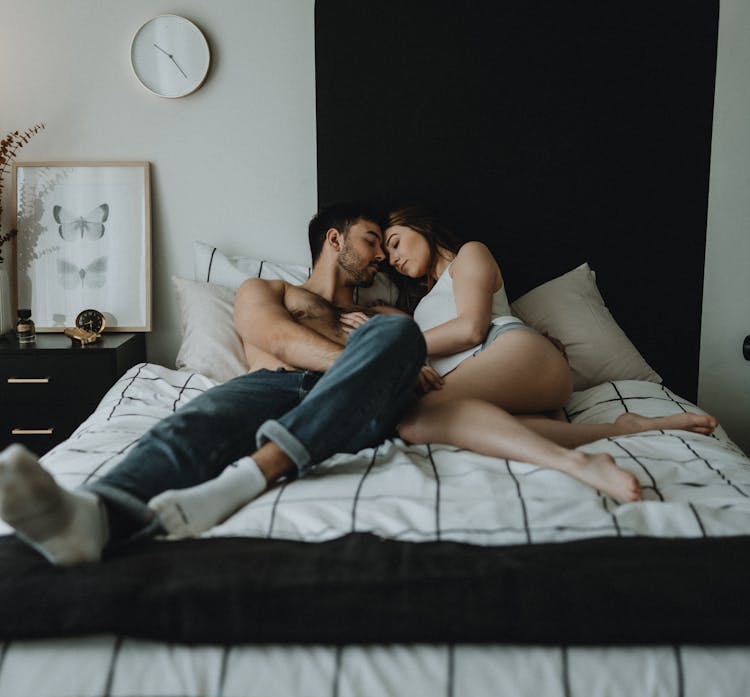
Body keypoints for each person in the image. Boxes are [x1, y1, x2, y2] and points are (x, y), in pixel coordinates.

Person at [0, 205, 427, 565]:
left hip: (353, 406)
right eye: (372, 240)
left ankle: (247, 478)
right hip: (273, 386)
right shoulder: (268, 289)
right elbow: (275, 338)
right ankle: (94, 516)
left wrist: (385, 349)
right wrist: (359, 362)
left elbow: (414, 363)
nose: (382, 257)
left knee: (403, 335)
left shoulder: (383, 317)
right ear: (335, 240)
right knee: (193, 424)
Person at [336, 206, 716, 503]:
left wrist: (395, 345)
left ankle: (583, 459)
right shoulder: (420, 303)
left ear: (422, 227)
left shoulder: (470, 255)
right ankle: (620, 429)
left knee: (414, 419)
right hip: (499, 377)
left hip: (510, 349)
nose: (393, 257)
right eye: (387, 252)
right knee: (419, 425)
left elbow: (471, 328)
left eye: (396, 241)